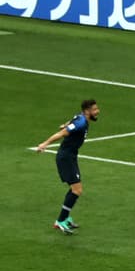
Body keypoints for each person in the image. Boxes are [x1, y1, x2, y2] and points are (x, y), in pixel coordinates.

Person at [35, 99, 98, 235]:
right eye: (94, 109)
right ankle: (61, 220)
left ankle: (65, 217)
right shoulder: (81, 122)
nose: (97, 111)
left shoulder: (80, 118)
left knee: (75, 189)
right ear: (87, 111)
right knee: (77, 190)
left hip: (71, 157)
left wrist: (65, 125)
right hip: (66, 158)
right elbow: (62, 134)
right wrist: (45, 143)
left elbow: (71, 121)